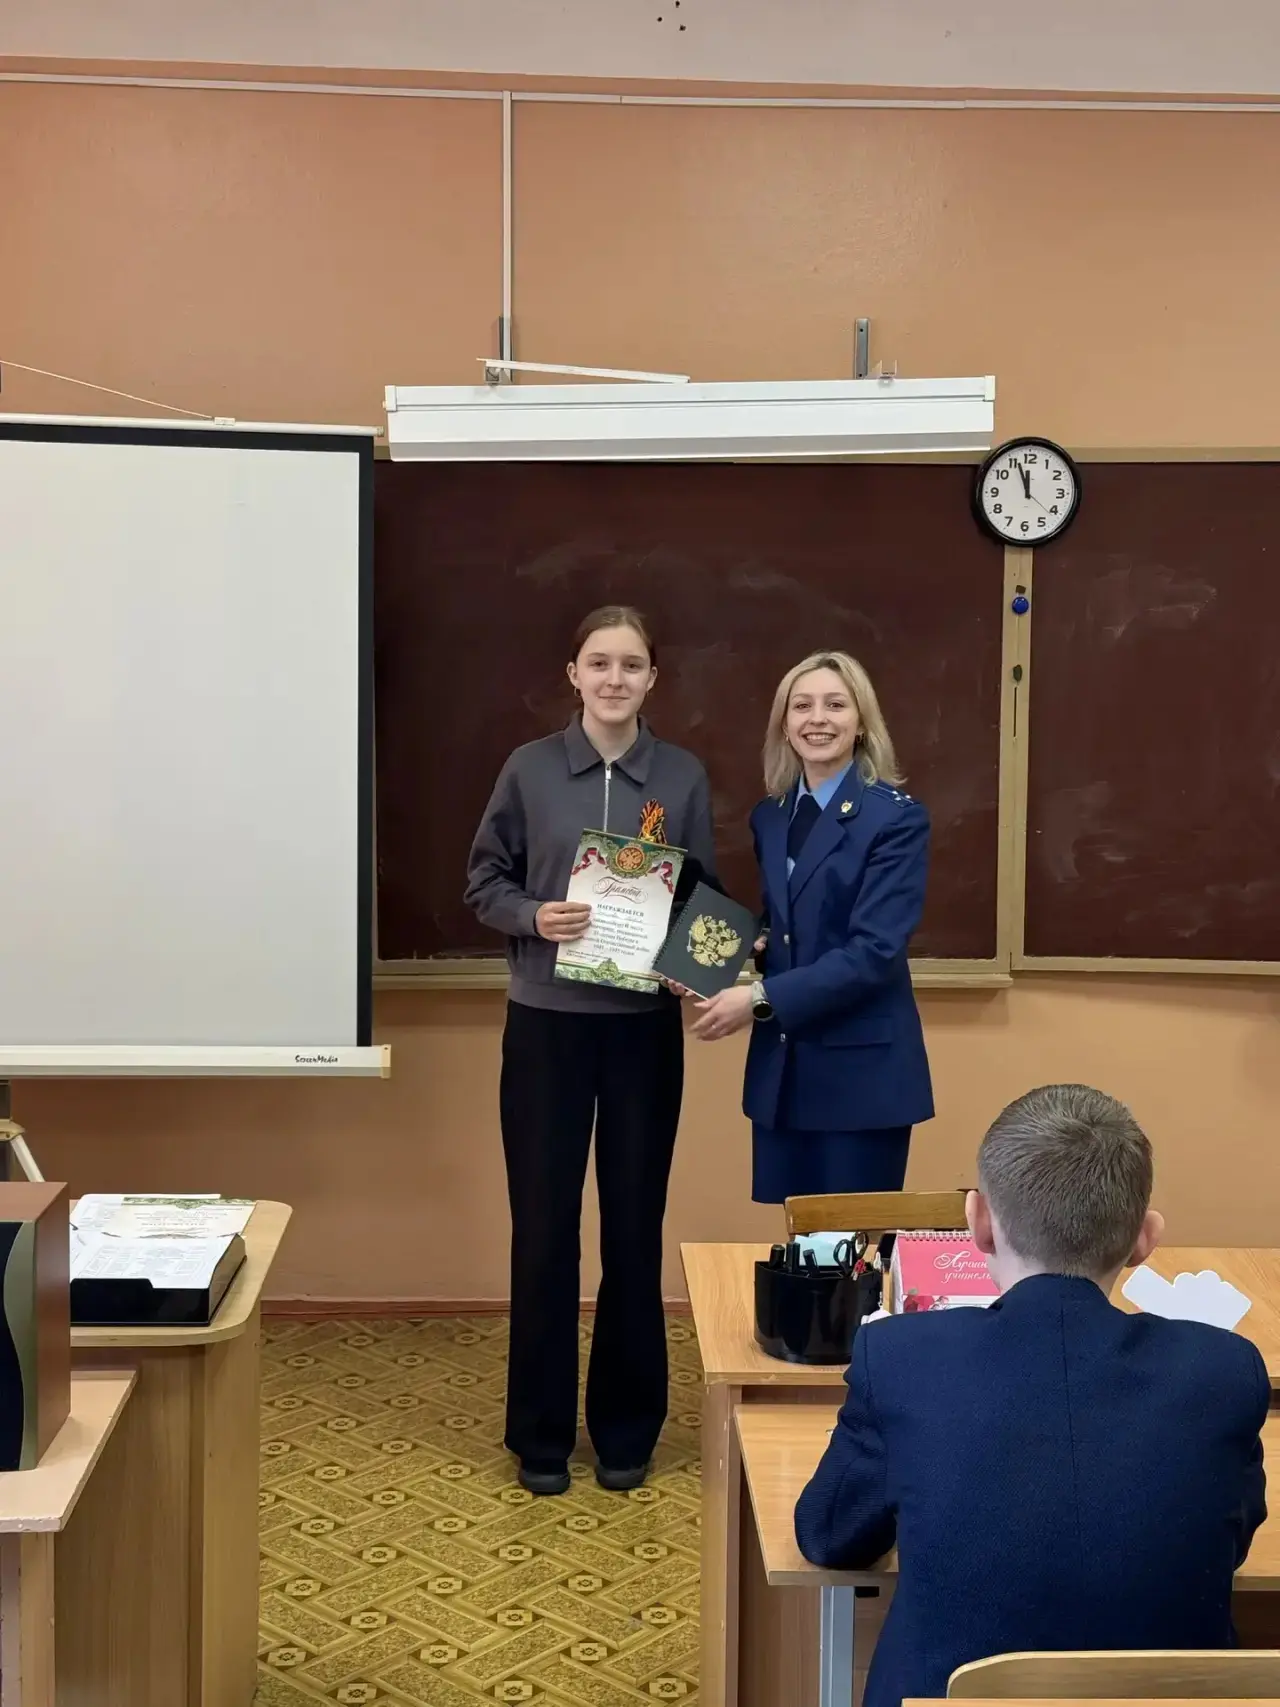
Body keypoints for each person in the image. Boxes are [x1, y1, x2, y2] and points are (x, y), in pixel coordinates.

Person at [795, 1084, 1269, 1707]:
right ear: (1145, 1237)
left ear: (978, 1222)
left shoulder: (901, 1357)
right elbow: (1229, 1546)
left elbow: (830, 1537)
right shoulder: (1225, 1370)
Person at [464, 605, 718, 1497]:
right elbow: (483, 880)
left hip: (642, 1033)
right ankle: (540, 1434)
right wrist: (534, 915)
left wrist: (693, 969)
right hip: (547, 1026)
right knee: (543, 1229)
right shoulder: (529, 768)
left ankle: (626, 1427)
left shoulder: (681, 776)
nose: (615, 678)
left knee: (634, 1229)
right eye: (599, 663)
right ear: (573, 673)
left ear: (653, 679)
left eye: (632, 665)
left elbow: (703, 897)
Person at [689, 650, 933, 1203]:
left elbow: (874, 952)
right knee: (799, 1243)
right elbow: (787, 922)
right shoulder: (771, 816)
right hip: (785, 1068)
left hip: (861, 1075)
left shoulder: (895, 818)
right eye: (801, 706)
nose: (817, 719)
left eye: (835, 705)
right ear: (784, 724)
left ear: (862, 722)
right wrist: (717, 954)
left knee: (849, 1248)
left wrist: (759, 997)